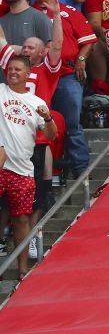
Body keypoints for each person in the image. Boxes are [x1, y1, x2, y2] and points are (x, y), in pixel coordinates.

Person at [0, 55, 55, 277]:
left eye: (18, 69)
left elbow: (52, 135)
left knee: (21, 219)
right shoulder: (1, 90)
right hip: (1, 166)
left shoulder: (36, 103)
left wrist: (48, 117)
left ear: (28, 74)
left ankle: (22, 269)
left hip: (22, 170)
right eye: (10, 68)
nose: (13, 72)